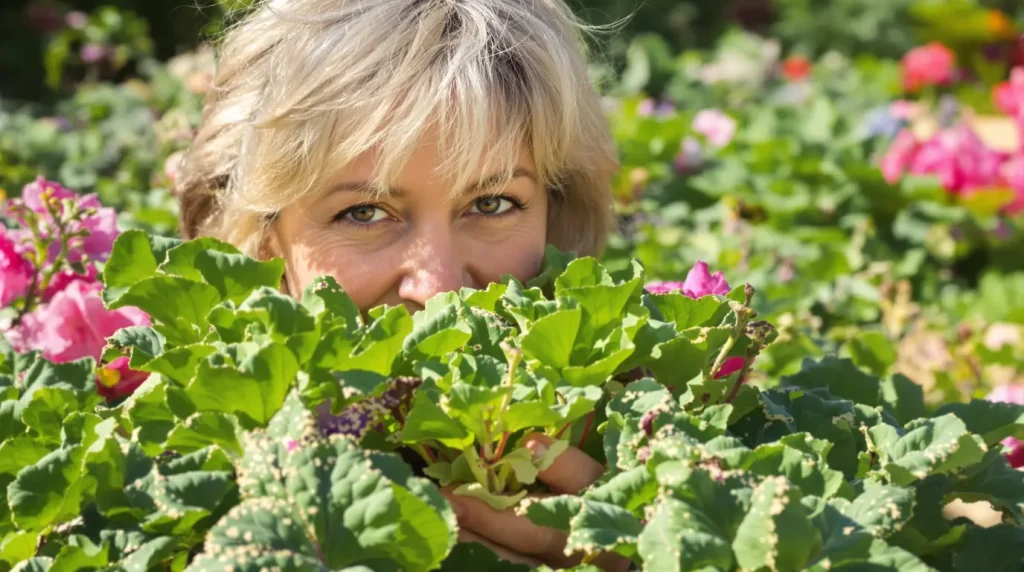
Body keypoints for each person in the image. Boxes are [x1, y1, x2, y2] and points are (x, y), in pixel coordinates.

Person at [174, 0, 624, 568]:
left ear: (553, 216)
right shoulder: (171, 473)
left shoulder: (644, 438)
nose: (438, 290)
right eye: (364, 212)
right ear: (265, 239)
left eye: (492, 203)